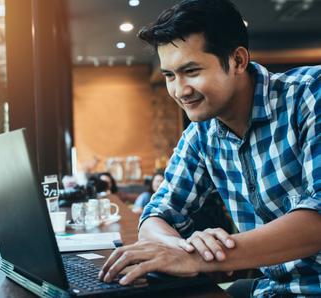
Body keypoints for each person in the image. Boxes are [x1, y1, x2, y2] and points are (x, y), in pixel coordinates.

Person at [98, 0, 321, 297]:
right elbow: (156, 215)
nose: (179, 90)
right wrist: (180, 250)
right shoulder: (201, 135)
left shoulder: (310, 95)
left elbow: (317, 220)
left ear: (238, 61)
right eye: (169, 75)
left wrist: (198, 257)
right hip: (274, 289)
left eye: (191, 71)